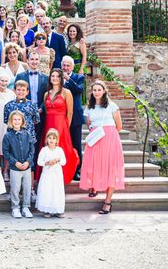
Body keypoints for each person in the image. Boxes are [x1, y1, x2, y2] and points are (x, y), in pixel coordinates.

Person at [80, 80, 125, 215]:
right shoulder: (89, 108)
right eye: (94, 90)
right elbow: (89, 124)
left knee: (110, 167)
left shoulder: (112, 106)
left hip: (110, 138)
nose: (97, 92)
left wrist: (107, 133)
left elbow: (119, 126)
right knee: (92, 164)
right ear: (92, 92)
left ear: (104, 91)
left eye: (99, 90)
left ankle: (107, 202)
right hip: (95, 138)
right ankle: (93, 186)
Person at [35, 69, 79, 185]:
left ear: (61, 79)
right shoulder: (46, 94)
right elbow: (44, 110)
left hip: (62, 125)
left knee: (61, 148)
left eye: (57, 76)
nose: (55, 78)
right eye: (52, 76)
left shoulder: (66, 92)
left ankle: (62, 177)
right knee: (47, 147)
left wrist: (66, 128)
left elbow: (70, 113)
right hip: (49, 124)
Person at [3, 110, 34, 219]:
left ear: (22, 121)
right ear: (11, 121)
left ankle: (26, 207)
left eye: (19, 119)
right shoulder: (8, 135)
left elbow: (32, 149)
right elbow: (6, 152)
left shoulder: (27, 134)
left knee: (27, 188)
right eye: (14, 119)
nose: (16, 121)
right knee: (15, 188)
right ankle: (15, 208)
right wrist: (15, 162)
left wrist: (28, 162)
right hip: (14, 167)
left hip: (26, 167)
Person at [15, 51, 48, 148]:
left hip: (40, 112)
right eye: (32, 59)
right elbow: (17, 94)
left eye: (36, 59)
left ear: (39, 61)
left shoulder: (46, 78)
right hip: (24, 114)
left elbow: (47, 96)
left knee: (39, 140)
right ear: (27, 61)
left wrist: (41, 109)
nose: (34, 61)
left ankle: (37, 162)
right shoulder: (20, 76)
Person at [61, 56, 85, 180]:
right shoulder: (57, 77)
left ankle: (76, 170)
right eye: (64, 65)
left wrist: (68, 79)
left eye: (68, 65)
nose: (65, 68)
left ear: (72, 67)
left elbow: (79, 90)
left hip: (75, 117)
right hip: (61, 117)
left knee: (76, 144)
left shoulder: (79, 77)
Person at [36, 128, 66, 218]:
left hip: (57, 176)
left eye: (54, 138)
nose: (51, 140)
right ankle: (47, 210)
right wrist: (48, 162)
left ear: (57, 140)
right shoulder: (44, 150)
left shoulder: (59, 150)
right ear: (46, 139)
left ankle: (58, 210)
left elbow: (64, 162)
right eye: (49, 138)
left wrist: (57, 160)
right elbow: (39, 162)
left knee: (56, 192)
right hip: (47, 175)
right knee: (47, 191)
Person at [0, 73, 15, 180]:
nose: (4, 83)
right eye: (2, 80)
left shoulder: (11, 94)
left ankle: (5, 171)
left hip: (6, 124)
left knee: (6, 147)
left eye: (6, 81)